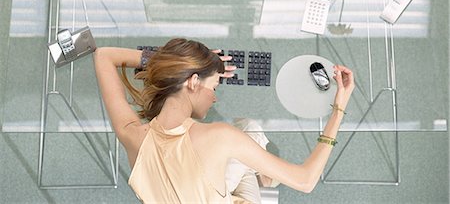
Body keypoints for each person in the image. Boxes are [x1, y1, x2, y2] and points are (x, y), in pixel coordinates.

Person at [93, 38, 354, 203]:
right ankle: (266, 177)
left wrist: (183, 63)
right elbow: (306, 181)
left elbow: (103, 55)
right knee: (249, 131)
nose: (215, 99)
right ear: (194, 82)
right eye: (215, 87)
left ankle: (262, 174)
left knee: (246, 136)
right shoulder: (219, 137)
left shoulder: (131, 135)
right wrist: (339, 108)